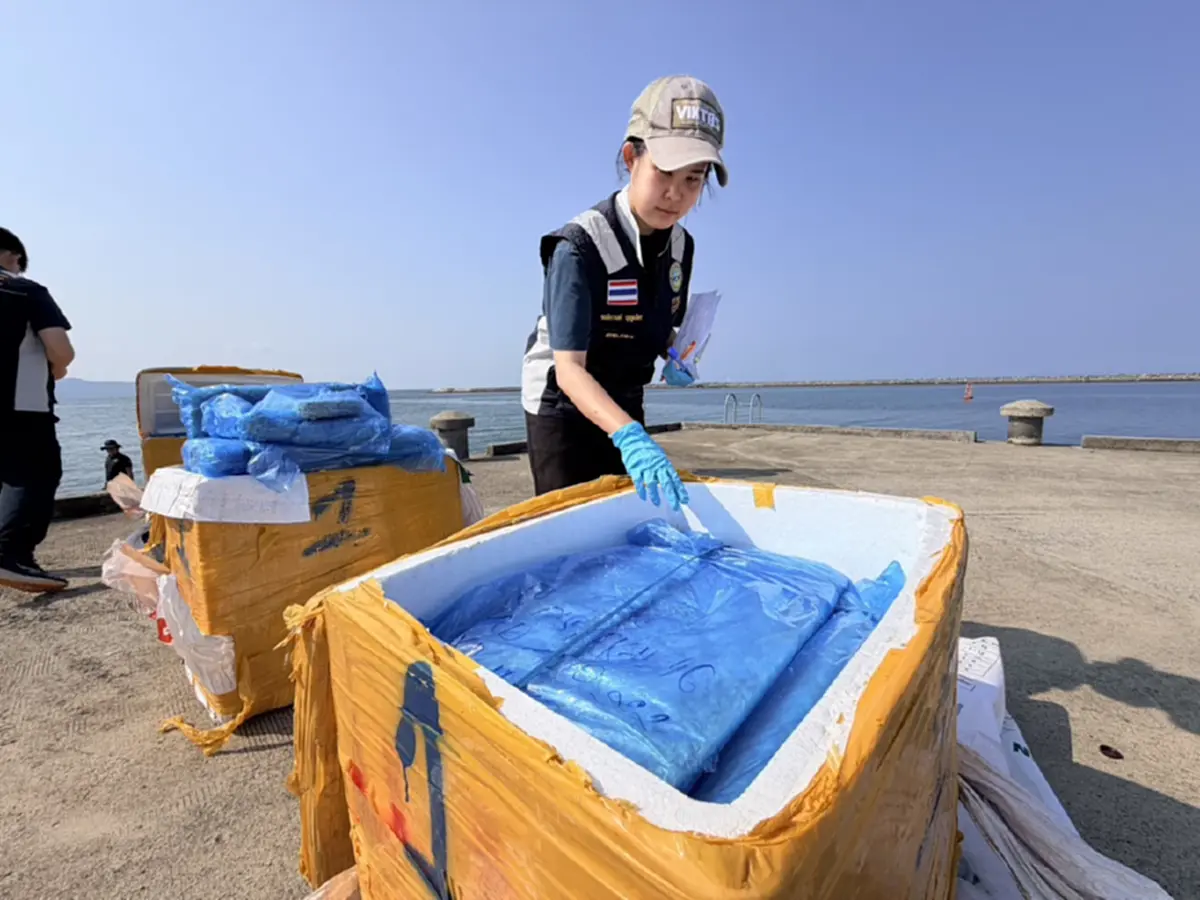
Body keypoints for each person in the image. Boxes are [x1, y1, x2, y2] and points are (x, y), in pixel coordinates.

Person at [521, 75, 727, 511]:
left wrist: (678, 353)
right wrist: (630, 435)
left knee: (627, 521)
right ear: (632, 157)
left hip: (625, 395)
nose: (676, 194)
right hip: (562, 405)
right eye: (664, 172)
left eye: (693, 179)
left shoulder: (680, 248)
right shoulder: (578, 247)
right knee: (570, 527)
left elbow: (659, 323)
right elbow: (570, 370)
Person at [0, 227, 75, 593]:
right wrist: (57, 369)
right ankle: (10, 556)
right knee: (34, 474)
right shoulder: (22, 289)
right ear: (11, 255)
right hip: (20, 406)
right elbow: (60, 349)